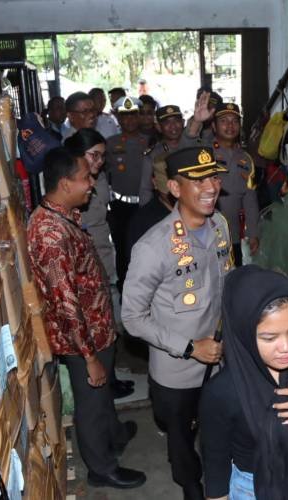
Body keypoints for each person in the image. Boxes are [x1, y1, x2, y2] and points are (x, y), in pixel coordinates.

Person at [27, 147, 145, 490]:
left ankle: (114, 434)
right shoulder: (50, 234)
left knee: (103, 391)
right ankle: (101, 467)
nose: (91, 184)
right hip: (83, 340)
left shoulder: (63, 214)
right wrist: (89, 356)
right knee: (91, 403)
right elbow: (65, 304)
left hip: (97, 328)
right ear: (65, 184)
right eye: (85, 178)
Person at [121, 146, 233, 500]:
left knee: (220, 431)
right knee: (182, 439)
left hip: (221, 361)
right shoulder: (154, 246)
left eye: (213, 177)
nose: (210, 187)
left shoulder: (220, 227)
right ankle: (191, 488)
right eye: (197, 181)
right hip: (177, 370)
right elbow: (132, 318)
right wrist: (189, 348)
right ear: (173, 188)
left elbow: (227, 283)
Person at [200, 265, 288, 500]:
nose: (287, 347)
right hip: (252, 489)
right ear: (243, 333)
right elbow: (216, 475)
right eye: (270, 337)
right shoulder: (222, 392)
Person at [63, 129, 134, 399]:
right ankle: (105, 381)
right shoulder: (73, 183)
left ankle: (111, 378)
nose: (99, 161)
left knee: (107, 322)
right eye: (94, 155)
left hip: (104, 250)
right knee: (96, 323)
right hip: (87, 258)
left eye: (102, 156)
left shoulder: (100, 177)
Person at [106, 95, 150, 290]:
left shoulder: (150, 142)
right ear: (118, 118)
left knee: (148, 251)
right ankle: (125, 291)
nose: (129, 120)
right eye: (125, 116)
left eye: (133, 115)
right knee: (123, 252)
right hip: (120, 207)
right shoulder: (110, 143)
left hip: (146, 205)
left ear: (139, 117)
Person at [209, 102, 260, 266]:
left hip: (234, 237)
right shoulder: (204, 154)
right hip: (206, 237)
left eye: (235, 121)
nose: (230, 125)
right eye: (224, 121)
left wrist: (253, 233)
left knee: (233, 282)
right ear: (214, 126)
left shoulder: (245, 159)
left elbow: (250, 200)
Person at [139, 104, 192, 205]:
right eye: (167, 122)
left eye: (176, 121)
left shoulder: (193, 146)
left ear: (183, 122)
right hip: (167, 206)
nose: (173, 126)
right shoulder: (152, 154)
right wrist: (146, 214)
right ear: (158, 127)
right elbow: (145, 189)